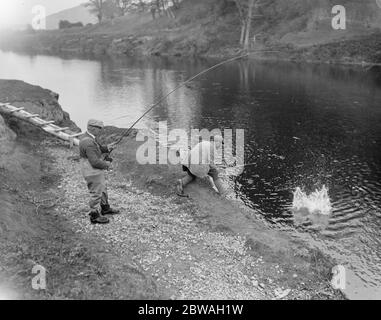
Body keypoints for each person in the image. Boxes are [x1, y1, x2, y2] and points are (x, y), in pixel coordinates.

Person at [79, 119, 120, 224]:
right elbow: (95, 162)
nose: (101, 130)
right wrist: (107, 164)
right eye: (99, 128)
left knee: (102, 189)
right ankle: (94, 215)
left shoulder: (89, 137)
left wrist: (107, 148)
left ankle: (105, 208)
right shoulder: (88, 142)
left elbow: (97, 149)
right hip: (92, 171)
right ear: (92, 128)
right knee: (96, 193)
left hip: (94, 170)